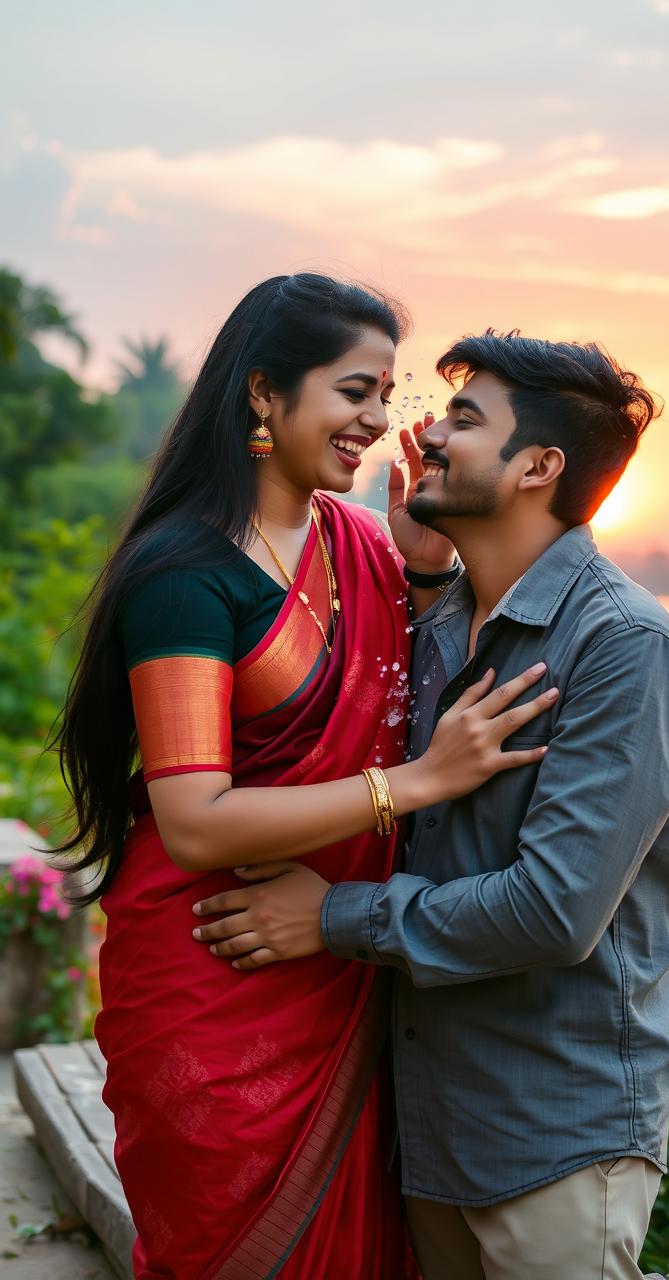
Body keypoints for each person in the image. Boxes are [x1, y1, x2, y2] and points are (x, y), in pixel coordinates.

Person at [54, 283, 556, 1280]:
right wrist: (411, 784)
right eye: (354, 389)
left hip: (336, 962)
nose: (379, 418)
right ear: (264, 396)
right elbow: (193, 820)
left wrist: (421, 573)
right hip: (214, 967)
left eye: (386, 391)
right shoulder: (185, 573)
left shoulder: (364, 544)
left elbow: (388, 686)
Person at [193, 331, 669, 1280]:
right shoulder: (443, 619)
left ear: (539, 467)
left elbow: (553, 911)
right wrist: (429, 578)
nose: (427, 435)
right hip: (431, 1127)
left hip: (553, 1136)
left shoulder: (622, 646)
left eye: (467, 421)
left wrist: (329, 916)